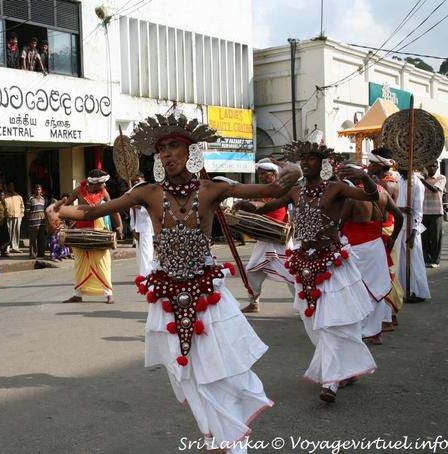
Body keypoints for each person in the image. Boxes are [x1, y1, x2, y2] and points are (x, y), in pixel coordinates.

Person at [48, 114, 302, 451]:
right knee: (189, 372)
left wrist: (293, 170)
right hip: (167, 294)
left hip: (206, 292)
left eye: (174, 147)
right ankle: (216, 434)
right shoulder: (148, 193)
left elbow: (275, 189)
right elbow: (90, 214)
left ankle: (231, 439)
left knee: (219, 366)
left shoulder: (214, 188)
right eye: (162, 150)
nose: (167, 155)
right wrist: (56, 211)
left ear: (191, 152)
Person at [236, 141, 380, 403]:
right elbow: (267, 208)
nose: (304, 162)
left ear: (323, 163)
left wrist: (365, 178)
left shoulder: (336, 188)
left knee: (333, 323)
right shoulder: (295, 192)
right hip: (303, 264)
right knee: (313, 323)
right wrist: (246, 206)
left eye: (310, 158)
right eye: (301, 158)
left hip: (332, 263)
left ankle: (331, 381)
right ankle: (344, 368)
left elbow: (371, 197)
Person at [340, 162, 403, 345]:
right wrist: (392, 239)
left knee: (355, 289)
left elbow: (338, 225)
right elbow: (399, 217)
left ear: (353, 177)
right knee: (376, 287)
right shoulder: (382, 192)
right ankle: (376, 331)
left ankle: (360, 330)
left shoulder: (351, 198)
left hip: (356, 248)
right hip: (376, 246)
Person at [237, 161, 295, 313]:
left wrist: (292, 222)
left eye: (265, 173)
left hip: (280, 239)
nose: (261, 177)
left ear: (274, 175)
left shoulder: (284, 191)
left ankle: (305, 304)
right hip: (264, 239)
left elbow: (293, 210)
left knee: (292, 275)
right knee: (251, 271)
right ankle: (254, 303)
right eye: (260, 174)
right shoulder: (261, 191)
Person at [59, 170, 123, 305]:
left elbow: (113, 209)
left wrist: (119, 226)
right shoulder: (78, 191)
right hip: (80, 228)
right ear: (93, 184)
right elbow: (66, 206)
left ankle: (108, 294)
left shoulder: (104, 193)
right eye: (102, 183)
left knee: (102, 261)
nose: (104, 186)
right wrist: (64, 219)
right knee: (80, 262)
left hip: (97, 228)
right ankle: (78, 294)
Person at [367, 148, 404, 325]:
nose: (368, 166)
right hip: (382, 229)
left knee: (386, 273)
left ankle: (389, 316)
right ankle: (388, 315)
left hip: (385, 230)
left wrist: (392, 238)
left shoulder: (386, 185)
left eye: (372, 164)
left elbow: (386, 211)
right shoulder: (382, 182)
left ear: (381, 166)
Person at [395, 168, 431, 303]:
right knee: (400, 260)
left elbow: (418, 211)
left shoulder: (417, 184)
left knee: (414, 260)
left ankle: (417, 291)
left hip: (411, 228)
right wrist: (400, 209)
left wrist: (414, 231)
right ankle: (403, 291)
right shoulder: (399, 180)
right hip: (399, 225)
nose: (398, 166)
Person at [420, 161, 445, 268]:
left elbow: (435, 190)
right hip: (423, 212)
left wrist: (423, 181)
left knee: (436, 238)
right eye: (429, 166)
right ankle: (427, 259)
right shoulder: (422, 178)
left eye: (434, 166)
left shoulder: (441, 178)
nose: (431, 168)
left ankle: (435, 260)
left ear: (437, 167)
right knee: (424, 237)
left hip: (436, 213)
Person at [129, 173, 154, 276]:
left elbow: (151, 209)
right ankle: (142, 273)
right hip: (137, 226)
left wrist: (140, 207)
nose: (136, 182)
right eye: (135, 181)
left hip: (146, 226)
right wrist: (133, 227)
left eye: (138, 180)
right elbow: (132, 213)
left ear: (143, 180)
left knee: (146, 249)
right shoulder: (133, 193)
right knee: (139, 252)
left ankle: (147, 274)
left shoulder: (148, 192)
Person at [47, 193, 72, 262]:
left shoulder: (61, 209)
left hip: (60, 227)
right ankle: (53, 256)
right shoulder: (52, 209)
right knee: (54, 242)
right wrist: (54, 226)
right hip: (55, 228)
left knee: (59, 242)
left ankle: (58, 255)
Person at [26, 184, 47, 259]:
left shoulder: (43, 199)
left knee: (41, 239)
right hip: (33, 223)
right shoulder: (30, 199)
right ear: (34, 190)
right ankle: (33, 254)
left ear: (41, 191)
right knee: (33, 240)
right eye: (37, 189)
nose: (38, 191)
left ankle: (41, 254)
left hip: (42, 222)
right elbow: (27, 212)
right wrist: (29, 222)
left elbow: (44, 210)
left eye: (39, 189)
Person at [4, 182, 25, 253]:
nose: (11, 187)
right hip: (8, 216)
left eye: (12, 186)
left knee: (16, 232)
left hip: (17, 216)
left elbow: (22, 206)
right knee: (8, 232)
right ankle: (7, 248)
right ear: (7, 187)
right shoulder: (5, 196)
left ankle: (15, 247)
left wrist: (21, 214)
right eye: (9, 186)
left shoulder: (18, 196)